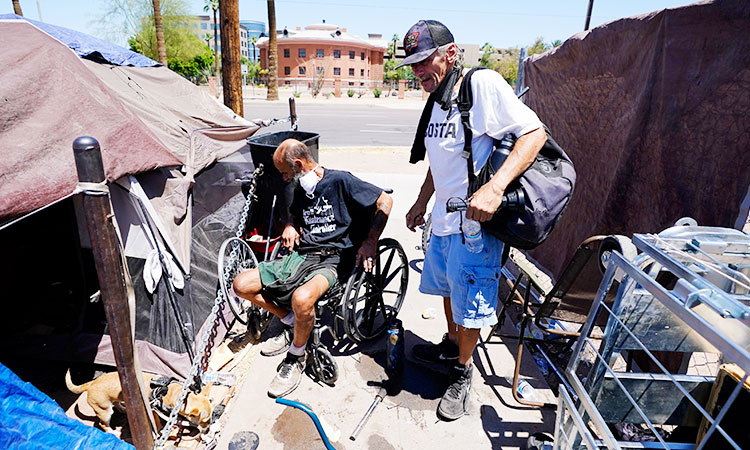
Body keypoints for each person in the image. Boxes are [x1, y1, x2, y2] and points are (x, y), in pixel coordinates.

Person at [401, 20, 547, 420]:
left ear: (450, 53)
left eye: (423, 61)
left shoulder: (480, 85)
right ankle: (451, 346)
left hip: (474, 230)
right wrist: (421, 202)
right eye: (410, 65)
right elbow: (442, 159)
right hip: (444, 223)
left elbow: (533, 133)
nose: (417, 72)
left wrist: (496, 187)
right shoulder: (437, 96)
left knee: (471, 306)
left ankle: (463, 373)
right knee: (450, 292)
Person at [233, 138, 392, 398]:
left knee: (302, 297)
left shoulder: (340, 181)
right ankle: (290, 319)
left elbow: (385, 201)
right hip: (304, 256)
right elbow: (294, 215)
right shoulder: (299, 189)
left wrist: (370, 242)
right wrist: (290, 225)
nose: (284, 179)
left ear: (297, 164)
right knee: (241, 284)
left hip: (334, 260)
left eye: (285, 173)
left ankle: (296, 355)